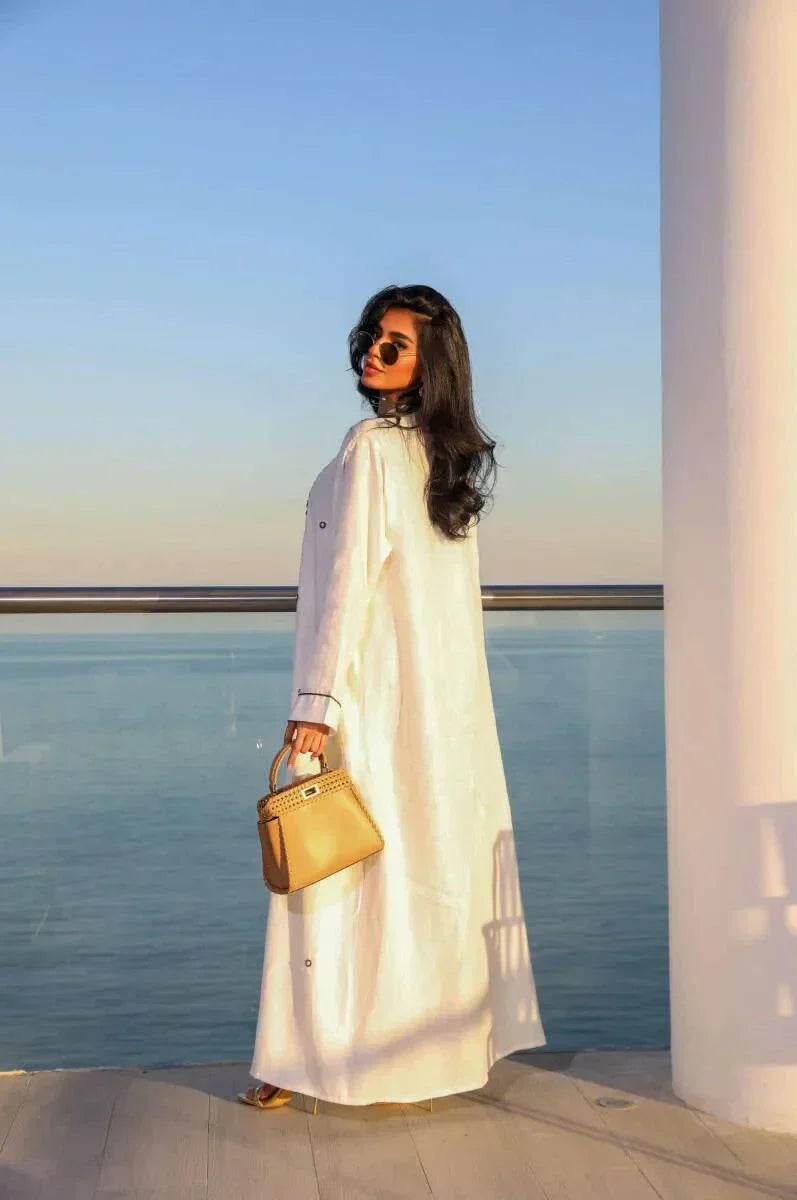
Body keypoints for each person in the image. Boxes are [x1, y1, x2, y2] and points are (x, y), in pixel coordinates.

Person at [239, 284, 546, 1112]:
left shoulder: (373, 450)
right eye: (373, 338)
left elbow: (346, 590)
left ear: (430, 365)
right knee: (421, 875)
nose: (374, 352)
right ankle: (426, 1054)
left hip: (370, 695)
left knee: (332, 869)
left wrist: (316, 704)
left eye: (395, 345)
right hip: (441, 706)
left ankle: (305, 1061)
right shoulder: (443, 463)